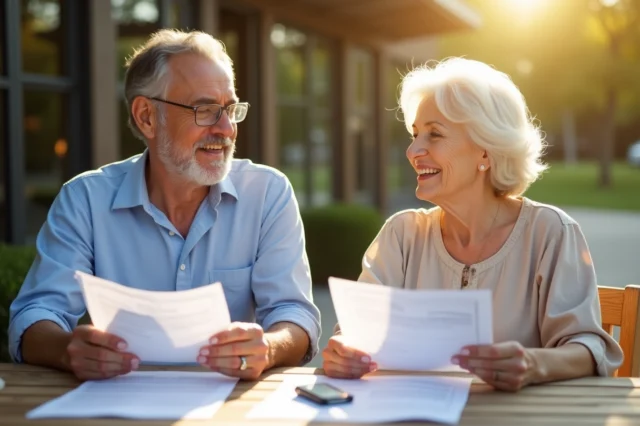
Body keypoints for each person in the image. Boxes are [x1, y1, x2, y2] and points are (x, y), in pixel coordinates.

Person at [9, 29, 320, 381]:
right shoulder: (85, 199)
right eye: (205, 109)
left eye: (230, 109)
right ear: (146, 117)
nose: (226, 128)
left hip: (228, 407)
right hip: (114, 403)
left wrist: (269, 346)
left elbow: (294, 314)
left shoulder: (268, 193)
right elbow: (35, 314)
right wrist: (68, 350)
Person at [322, 57, 623, 391]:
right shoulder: (401, 235)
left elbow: (588, 348)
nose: (412, 150)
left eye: (434, 135)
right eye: (415, 134)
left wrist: (534, 364)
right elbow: (355, 332)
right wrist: (345, 350)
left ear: (485, 151)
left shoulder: (550, 233)